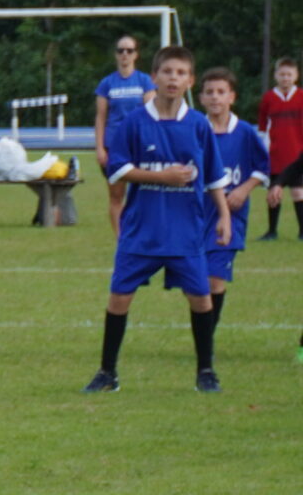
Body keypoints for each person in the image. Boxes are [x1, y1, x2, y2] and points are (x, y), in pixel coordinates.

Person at [88, 45, 232, 394]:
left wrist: (224, 215)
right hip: (141, 230)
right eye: (167, 71)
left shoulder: (198, 125)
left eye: (181, 73)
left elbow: (213, 176)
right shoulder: (135, 122)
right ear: (154, 77)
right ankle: (108, 373)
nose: (173, 78)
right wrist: (161, 177)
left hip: (186, 232)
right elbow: (118, 169)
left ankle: (205, 371)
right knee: (119, 297)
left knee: (201, 299)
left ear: (190, 81)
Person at [197, 68, 270, 342]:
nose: (215, 97)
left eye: (221, 92)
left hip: (230, 218)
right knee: (197, 283)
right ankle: (204, 334)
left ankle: (206, 340)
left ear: (232, 97)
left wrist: (244, 188)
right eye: (210, 92)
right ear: (201, 98)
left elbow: (263, 168)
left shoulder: (244, 133)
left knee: (214, 279)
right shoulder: (195, 129)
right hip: (197, 216)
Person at [92, 37, 155, 235]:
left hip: (138, 145)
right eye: (121, 50)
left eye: (129, 50)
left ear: (136, 54)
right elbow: (101, 117)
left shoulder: (144, 81)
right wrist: (100, 147)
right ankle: (122, 239)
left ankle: (141, 234)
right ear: (116, 54)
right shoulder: (107, 83)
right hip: (114, 146)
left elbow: (151, 114)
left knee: (143, 193)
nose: (125, 54)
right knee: (116, 195)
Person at [256, 57, 302, 240]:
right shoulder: (268, 98)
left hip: (298, 154)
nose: (285, 78)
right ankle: (271, 231)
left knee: (299, 192)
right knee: (274, 191)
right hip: (275, 154)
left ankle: (302, 232)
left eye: (289, 74)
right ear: (276, 75)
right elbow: (262, 125)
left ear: (296, 76)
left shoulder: (301, 97)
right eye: (282, 74)